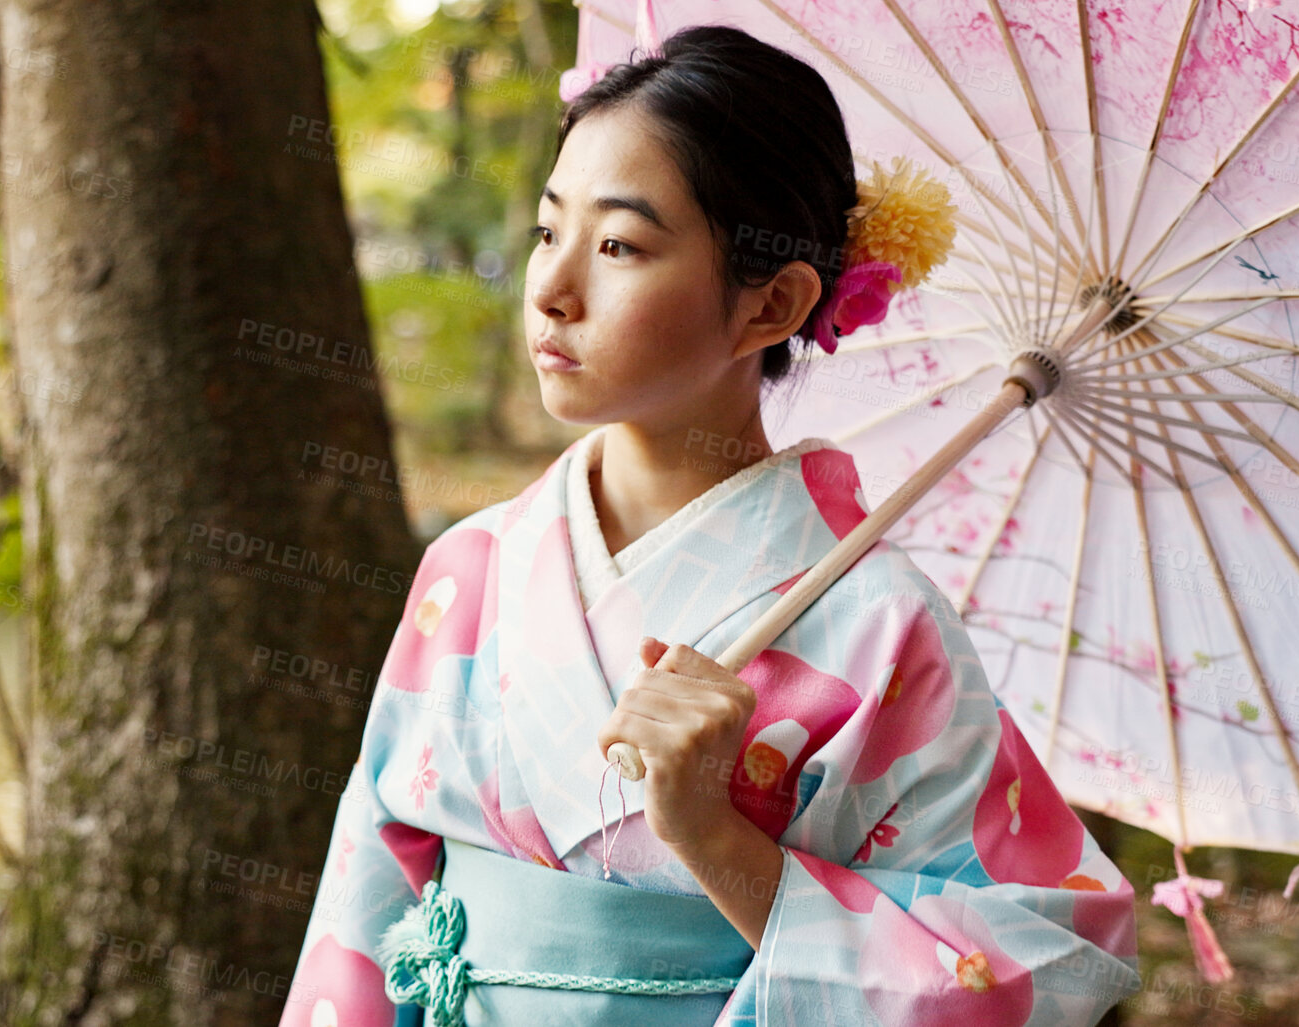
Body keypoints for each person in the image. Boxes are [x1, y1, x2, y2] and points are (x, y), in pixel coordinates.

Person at [282, 24, 1141, 1027]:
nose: (553, 290)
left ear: (771, 303)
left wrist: (717, 840)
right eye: (548, 232)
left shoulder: (877, 626)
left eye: (618, 246)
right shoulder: (470, 567)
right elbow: (368, 885)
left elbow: (1048, 957)